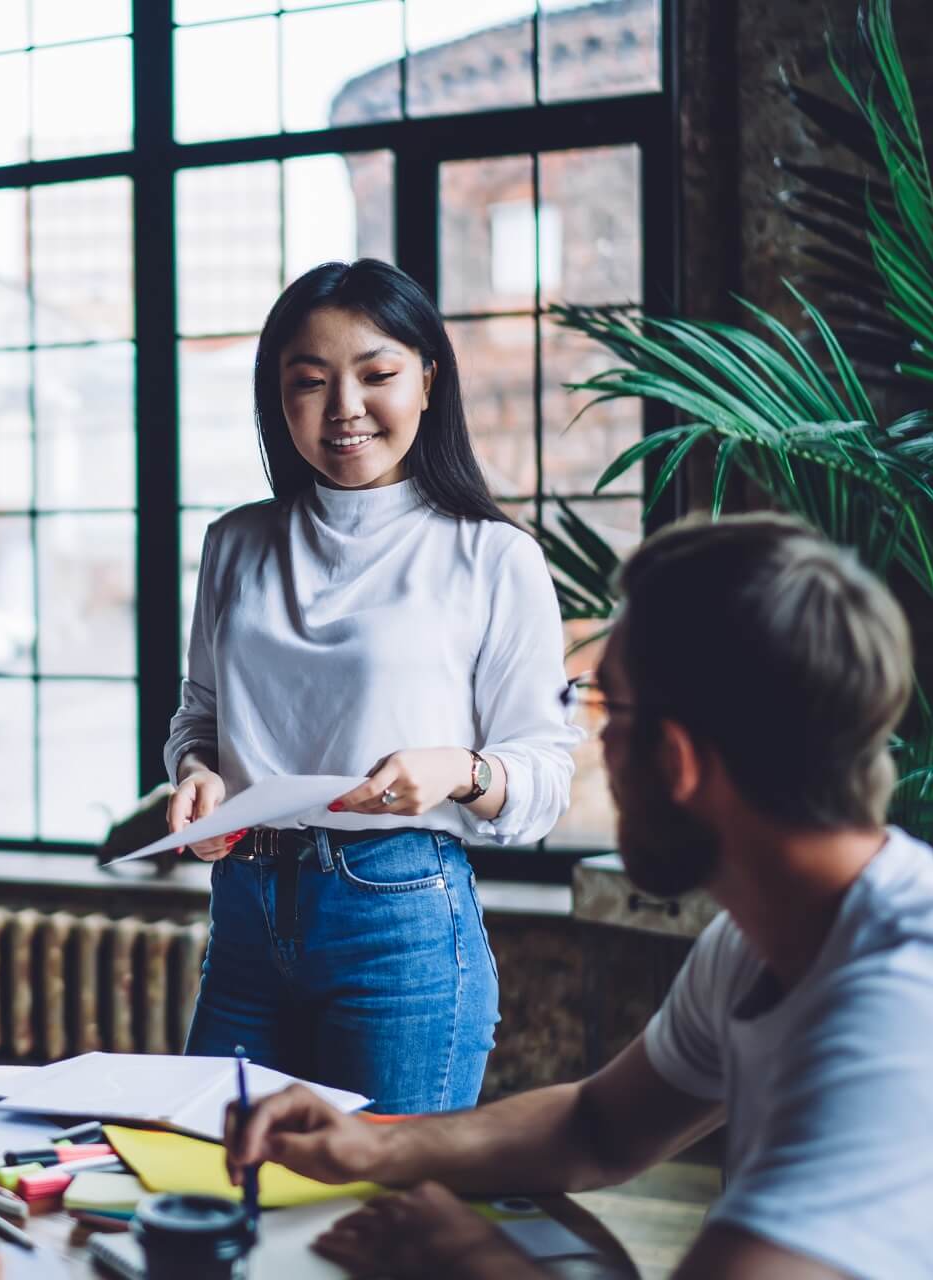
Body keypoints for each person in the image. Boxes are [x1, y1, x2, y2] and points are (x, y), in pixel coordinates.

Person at [226, 515, 933, 1280]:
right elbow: (596, 1127)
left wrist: (472, 1261)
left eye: (607, 709)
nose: (596, 744)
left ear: (674, 757)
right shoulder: (755, 945)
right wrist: (374, 1146)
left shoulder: (914, 1012)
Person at [165, 258, 577, 1111]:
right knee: (212, 1185)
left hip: (401, 917)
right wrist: (196, 775)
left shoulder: (491, 557)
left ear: (428, 378)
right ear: (278, 402)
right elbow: (199, 716)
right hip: (248, 905)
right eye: (309, 383)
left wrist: (462, 770)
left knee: (376, 1219)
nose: (344, 408)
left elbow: (545, 771)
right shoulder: (236, 544)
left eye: (377, 375)